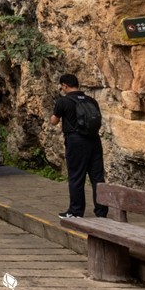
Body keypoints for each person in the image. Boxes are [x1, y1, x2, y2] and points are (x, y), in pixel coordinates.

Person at [50, 74, 107, 219]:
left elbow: (54, 121)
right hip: (94, 140)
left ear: (64, 86)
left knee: (76, 176)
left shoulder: (63, 101)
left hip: (76, 141)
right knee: (97, 177)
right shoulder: (91, 100)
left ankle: (75, 211)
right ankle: (101, 211)